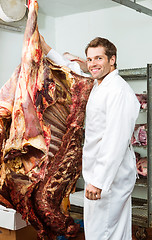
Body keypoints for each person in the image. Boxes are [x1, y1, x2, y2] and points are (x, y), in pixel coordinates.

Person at [41, 35, 140, 240]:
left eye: (99, 58)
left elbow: (115, 140)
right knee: (114, 231)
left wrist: (98, 181)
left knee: (101, 232)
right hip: (102, 172)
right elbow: (72, 69)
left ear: (112, 59)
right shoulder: (99, 84)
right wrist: (45, 47)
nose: (93, 64)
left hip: (110, 177)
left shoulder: (118, 91)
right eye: (90, 59)